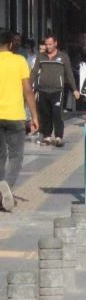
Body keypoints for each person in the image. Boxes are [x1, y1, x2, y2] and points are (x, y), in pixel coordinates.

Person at [0, 30, 39, 211]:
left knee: (0, 156)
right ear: (10, 44)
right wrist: (34, 116)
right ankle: (7, 185)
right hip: (15, 116)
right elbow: (28, 90)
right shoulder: (19, 61)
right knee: (16, 155)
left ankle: (1, 191)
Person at [29, 34, 78, 147]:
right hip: (42, 90)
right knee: (45, 114)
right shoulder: (40, 57)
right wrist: (29, 85)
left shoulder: (63, 57)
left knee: (56, 114)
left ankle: (58, 137)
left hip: (57, 90)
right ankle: (47, 136)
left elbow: (69, 73)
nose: (48, 46)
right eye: (46, 44)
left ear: (55, 43)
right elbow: (34, 72)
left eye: (50, 44)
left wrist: (74, 89)